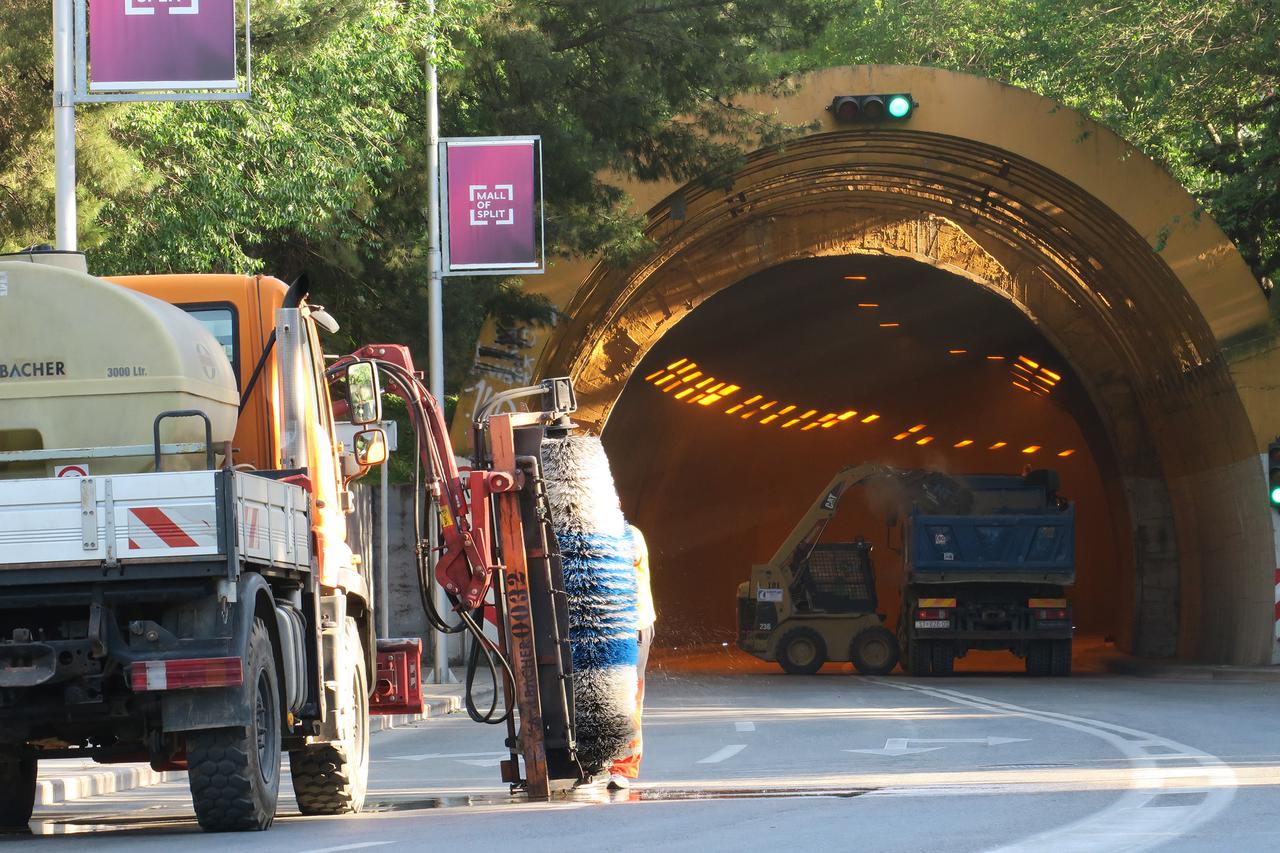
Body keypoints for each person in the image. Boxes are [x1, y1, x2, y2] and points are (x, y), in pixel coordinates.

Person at [608, 524, 656, 790]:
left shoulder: (628, 534)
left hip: (632, 627)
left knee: (627, 697)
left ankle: (623, 766)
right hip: (603, 627)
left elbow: (627, 555)